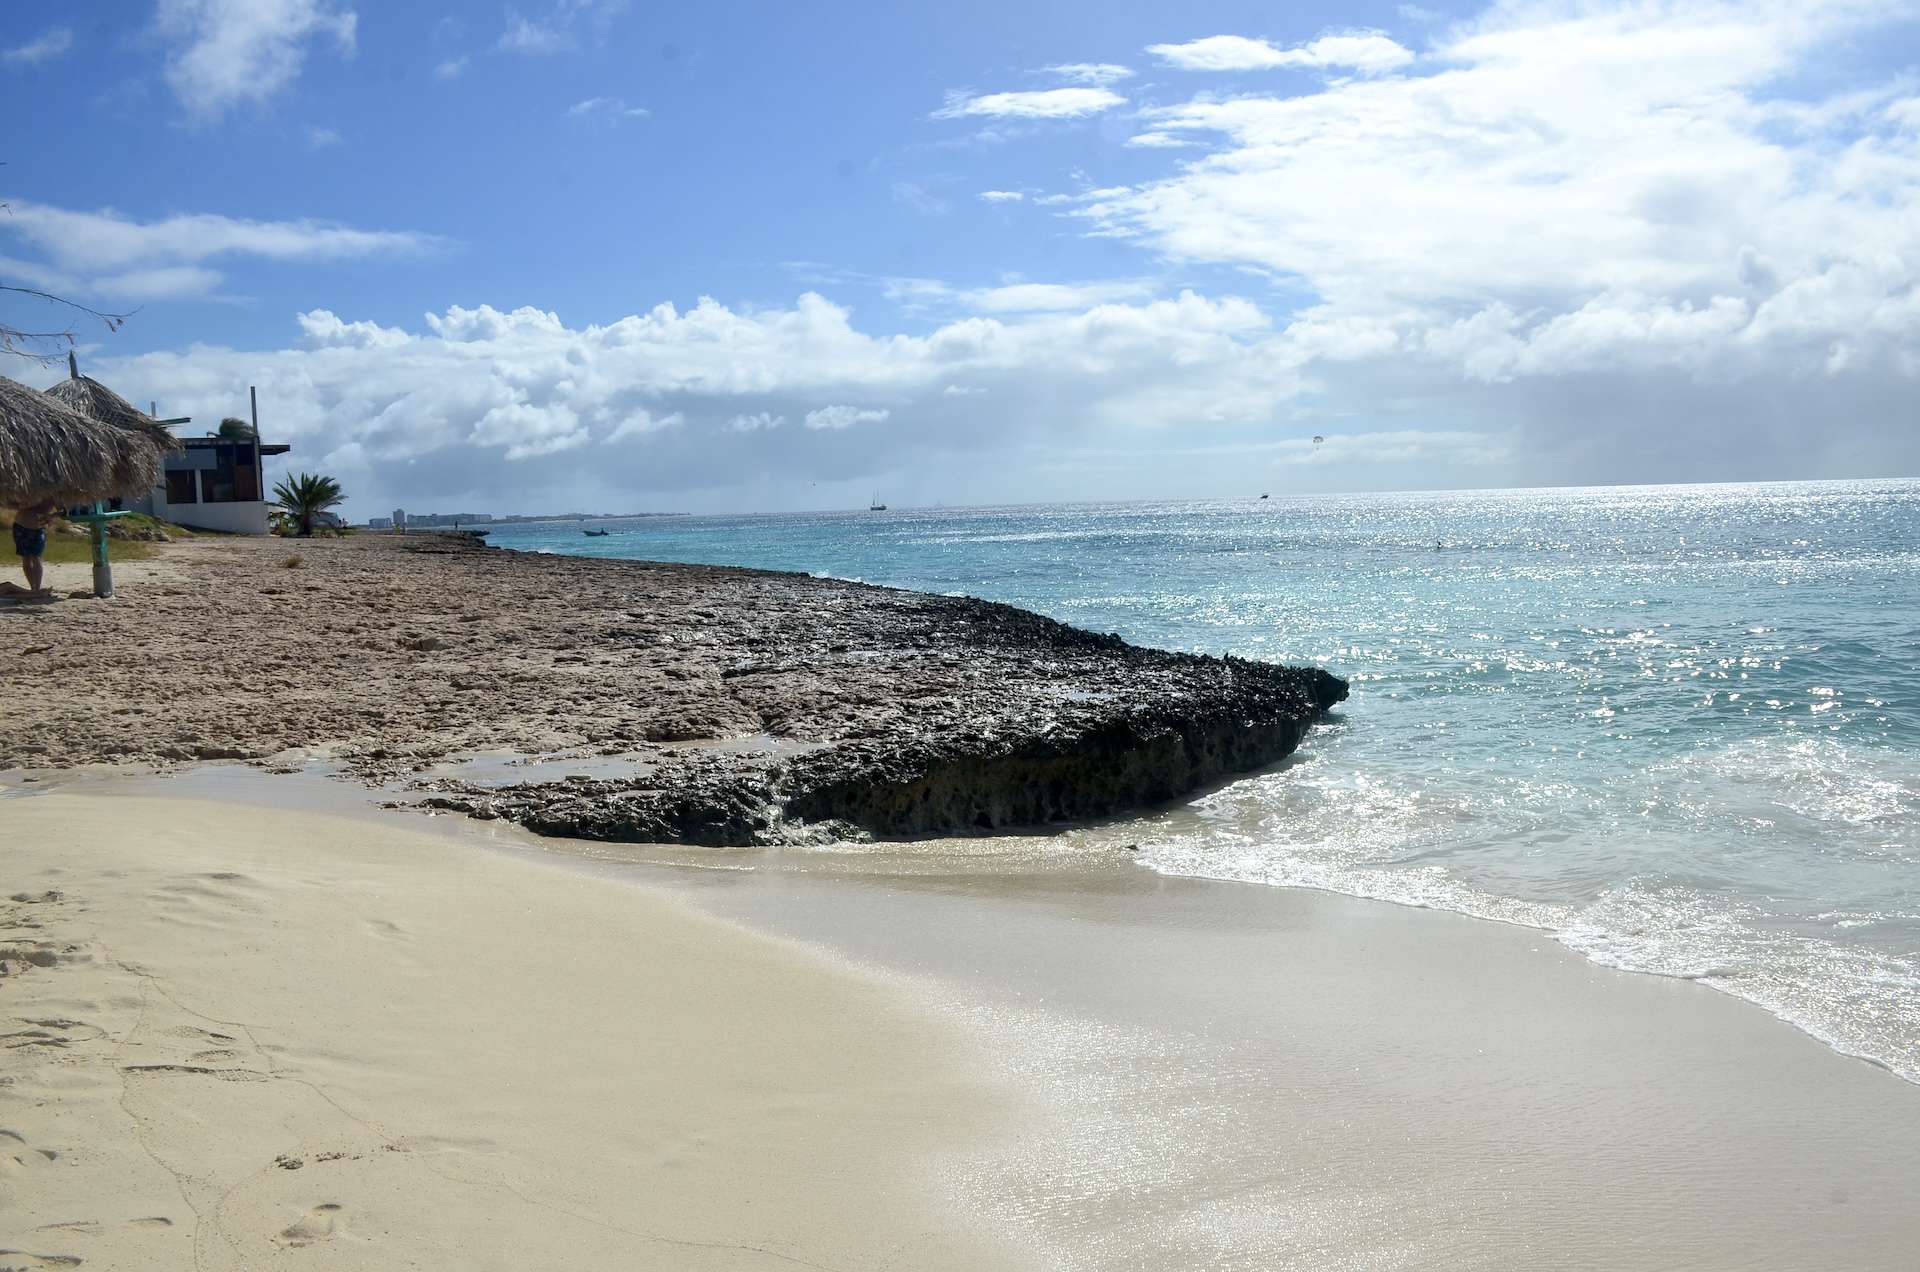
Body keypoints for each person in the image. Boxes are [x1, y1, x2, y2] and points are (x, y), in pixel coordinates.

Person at [11, 497, 61, 596]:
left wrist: (51, 516)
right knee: (26, 558)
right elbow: (10, 503)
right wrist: (24, 505)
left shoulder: (53, 494)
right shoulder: (29, 492)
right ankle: (33, 588)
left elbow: (63, 510)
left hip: (38, 528)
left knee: (36, 557)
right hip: (21, 526)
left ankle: (37, 588)